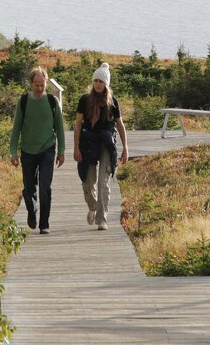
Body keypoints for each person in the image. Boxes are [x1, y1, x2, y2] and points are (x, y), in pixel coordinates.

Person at [10, 66, 65, 234]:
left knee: (45, 187)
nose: (40, 88)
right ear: (30, 84)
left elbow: (59, 128)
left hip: (47, 149)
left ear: (46, 83)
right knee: (29, 188)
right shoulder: (24, 101)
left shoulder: (52, 101)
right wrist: (13, 151)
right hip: (27, 150)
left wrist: (61, 151)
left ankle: (44, 224)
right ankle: (32, 212)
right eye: (37, 85)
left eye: (43, 85)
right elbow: (16, 127)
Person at [74, 63, 128, 230]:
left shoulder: (112, 102)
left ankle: (102, 219)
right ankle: (93, 207)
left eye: (101, 81)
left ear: (106, 84)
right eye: (96, 80)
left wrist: (125, 147)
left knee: (104, 182)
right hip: (88, 142)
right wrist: (76, 147)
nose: (98, 84)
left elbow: (120, 125)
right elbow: (77, 124)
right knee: (88, 182)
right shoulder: (84, 100)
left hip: (106, 144)